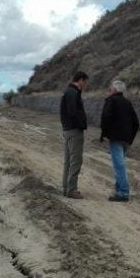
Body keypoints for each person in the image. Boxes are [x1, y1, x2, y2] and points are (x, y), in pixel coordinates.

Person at [100, 80, 139, 202]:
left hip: (116, 138)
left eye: (110, 88)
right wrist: (131, 138)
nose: (109, 90)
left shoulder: (111, 101)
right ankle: (119, 190)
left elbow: (105, 118)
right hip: (126, 139)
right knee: (120, 164)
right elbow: (136, 123)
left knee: (119, 166)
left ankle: (123, 193)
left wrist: (104, 134)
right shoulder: (128, 103)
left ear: (115, 90)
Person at [60, 71, 89, 199]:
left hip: (67, 130)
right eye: (85, 82)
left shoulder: (68, 91)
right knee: (75, 161)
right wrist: (81, 124)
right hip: (74, 130)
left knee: (68, 161)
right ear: (81, 80)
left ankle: (66, 187)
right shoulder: (73, 92)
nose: (86, 85)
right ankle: (71, 189)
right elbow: (74, 112)